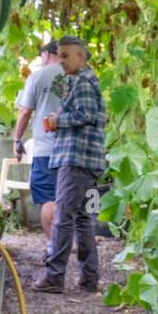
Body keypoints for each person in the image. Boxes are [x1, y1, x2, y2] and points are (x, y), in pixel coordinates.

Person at [33, 35, 107, 294]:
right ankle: (90, 279)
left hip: (76, 161)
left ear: (81, 57)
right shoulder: (86, 81)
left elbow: (85, 115)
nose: (61, 61)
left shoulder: (82, 82)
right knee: (84, 219)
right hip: (90, 162)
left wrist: (57, 121)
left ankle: (55, 277)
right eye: (60, 55)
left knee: (63, 216)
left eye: (66, 56)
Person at [13, 40, 63, 257]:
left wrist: (17, 140)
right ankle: (76, 243)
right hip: (74, 151)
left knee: (48, 198)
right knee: (71, 197)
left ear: (45, 54)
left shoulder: (38, 76)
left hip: (46, 150)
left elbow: (25, 112)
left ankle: (54, 246)